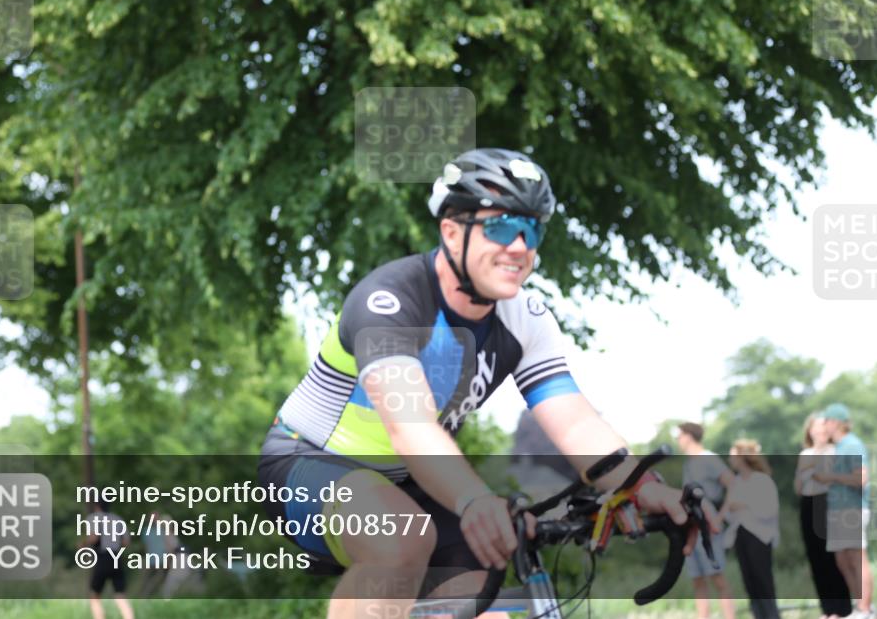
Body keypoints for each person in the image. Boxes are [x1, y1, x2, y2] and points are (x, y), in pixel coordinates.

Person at [258, 149, 710, 619]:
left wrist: (640, 485)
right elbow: (410, 424)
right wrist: (474, 499)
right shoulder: (389, 300)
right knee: (401, 536)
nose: (519, 245)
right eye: (500, 226)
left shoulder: (526, 320)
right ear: (451, 232)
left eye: (531, 229)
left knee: (480, 582)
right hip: (307, 463)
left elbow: (574, 423)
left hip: (411, 481)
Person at [816, 403, 875, 619]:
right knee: (842, 559)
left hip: (852, 509)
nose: (824, 425)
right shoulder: (838, 447)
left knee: (857, 557)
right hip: (837, 509)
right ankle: (860, 605)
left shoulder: (852, 445)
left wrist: (831, 477)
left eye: (826, 421)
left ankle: (865, 609)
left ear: (836, 422)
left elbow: (861, 478)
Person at [675, 422, 736, 619]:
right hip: (692, 528)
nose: (677, 439)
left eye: (680, 435)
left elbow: (732, 484)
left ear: (689, 436)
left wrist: (719, 516)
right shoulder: (688, 463)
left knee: (717, 577)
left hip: (709, 528)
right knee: (698, 579)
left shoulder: (708, 459)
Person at [794, 412, 851, 619]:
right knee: (816, 557)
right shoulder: (805, 454)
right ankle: (827, 610)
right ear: (810, 430)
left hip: (830, 503)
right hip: (809, 505)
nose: (821, 430)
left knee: (834, 557)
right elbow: (798, 488)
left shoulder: (836, 450)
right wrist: (805, 468)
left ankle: (843, 609)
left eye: (824, 426)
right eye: (817, 426)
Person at [720, 439, 780, 619]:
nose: (730, 460)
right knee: (750, 581)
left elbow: (770, 510)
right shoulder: (736, 482)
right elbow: (730, 513)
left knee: (763, 580)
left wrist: (744, 505)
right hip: (740, 534)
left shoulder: (762, 480)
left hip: (759, 536)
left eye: (733, 456)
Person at [79, 501, 135, 619]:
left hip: (103, 557)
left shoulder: (93, 518)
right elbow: (126, 542)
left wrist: (83, 544)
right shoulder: (118, 519)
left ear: (96, 506)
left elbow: (94, 538)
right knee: (120, 594)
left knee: (95, 595)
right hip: (116, 557)